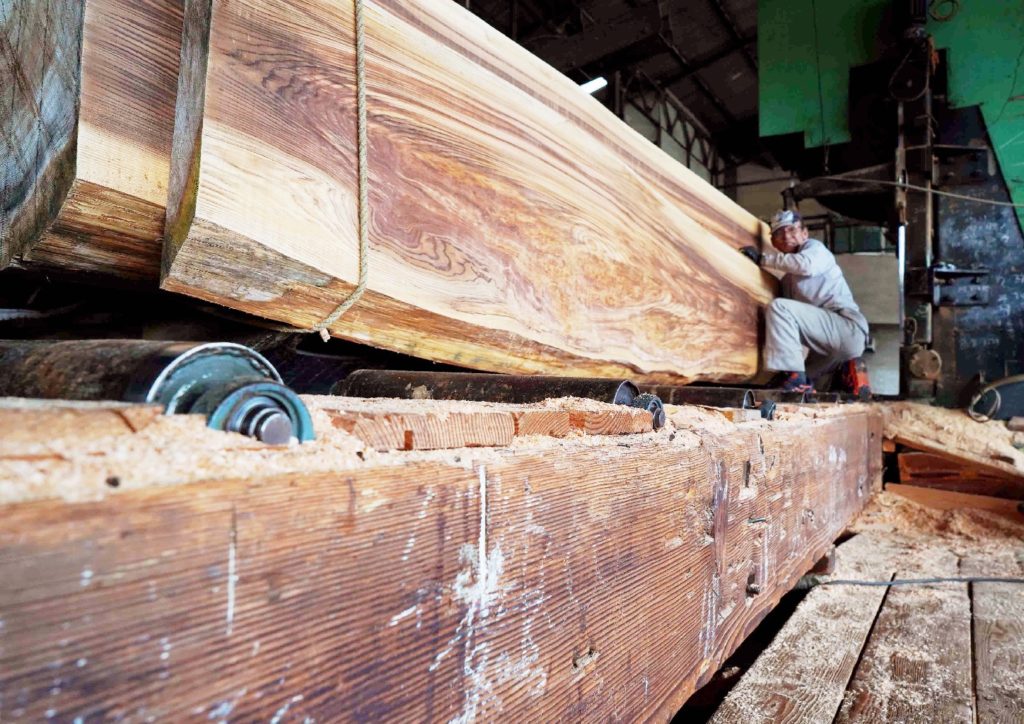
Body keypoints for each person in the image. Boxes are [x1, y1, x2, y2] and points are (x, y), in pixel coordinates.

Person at [740, 210, 869, 393]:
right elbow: (788, 326)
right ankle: (849, 376)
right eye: (779, 233)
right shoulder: (788, 281)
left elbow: (805, 265)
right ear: (774, 242)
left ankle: (797, 379)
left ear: (804, 233)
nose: (786, 236)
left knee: (780, 308)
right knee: (805, 379)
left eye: (791, 230)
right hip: (829, 349)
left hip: (847, 327)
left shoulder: (815, 249)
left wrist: (762, 259)